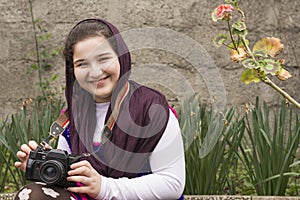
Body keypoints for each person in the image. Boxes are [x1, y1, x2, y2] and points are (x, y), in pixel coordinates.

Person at [14, 18, 185, 200]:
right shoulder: (72, 118)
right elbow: (69, 185)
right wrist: (44, 166)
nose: (95, 72)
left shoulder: (151, 109)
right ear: (73, 70)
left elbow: (172, 183)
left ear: (121, 57)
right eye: (82, 64)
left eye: (103, 59)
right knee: (32, 195)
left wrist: (104, 188)